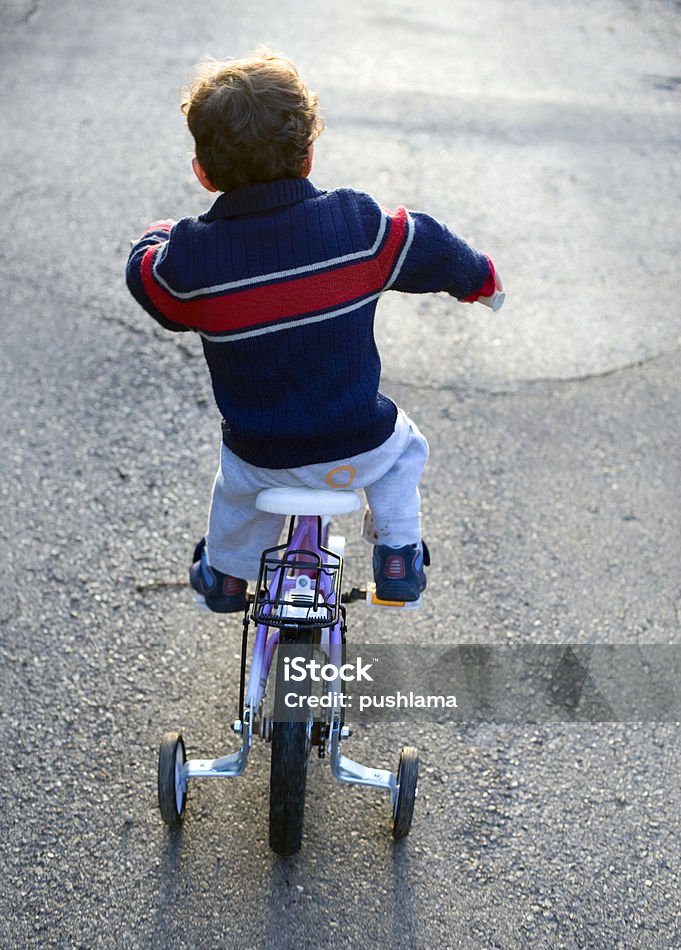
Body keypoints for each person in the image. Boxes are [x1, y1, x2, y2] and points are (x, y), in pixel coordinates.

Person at [126, 48, 503, 612]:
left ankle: (227, 575)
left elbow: (150, 283)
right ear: (307, 155)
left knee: (235, 498)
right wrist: (481, 280)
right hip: (358, 441)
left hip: (260, 452)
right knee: (405, 452)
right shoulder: (360, 225)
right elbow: (431, 246)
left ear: (203, 173)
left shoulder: (191, 259)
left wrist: (156, 237)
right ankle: (398, 554)